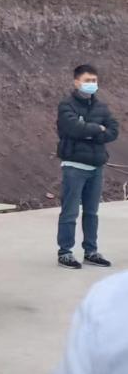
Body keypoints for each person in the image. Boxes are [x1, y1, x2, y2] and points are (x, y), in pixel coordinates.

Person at [56, 64, 117, 269]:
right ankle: (65, 252)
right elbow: (73, 128)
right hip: (74, 166)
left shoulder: (102, 107)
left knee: (92, 213)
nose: (92, 84)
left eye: (94, 80)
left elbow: (113, 130)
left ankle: (91, 251)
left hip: (96, 167)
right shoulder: (66, 105)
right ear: (76, 82)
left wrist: (90, 131)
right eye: (87, 80)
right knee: (70, 212)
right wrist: (98, 128)